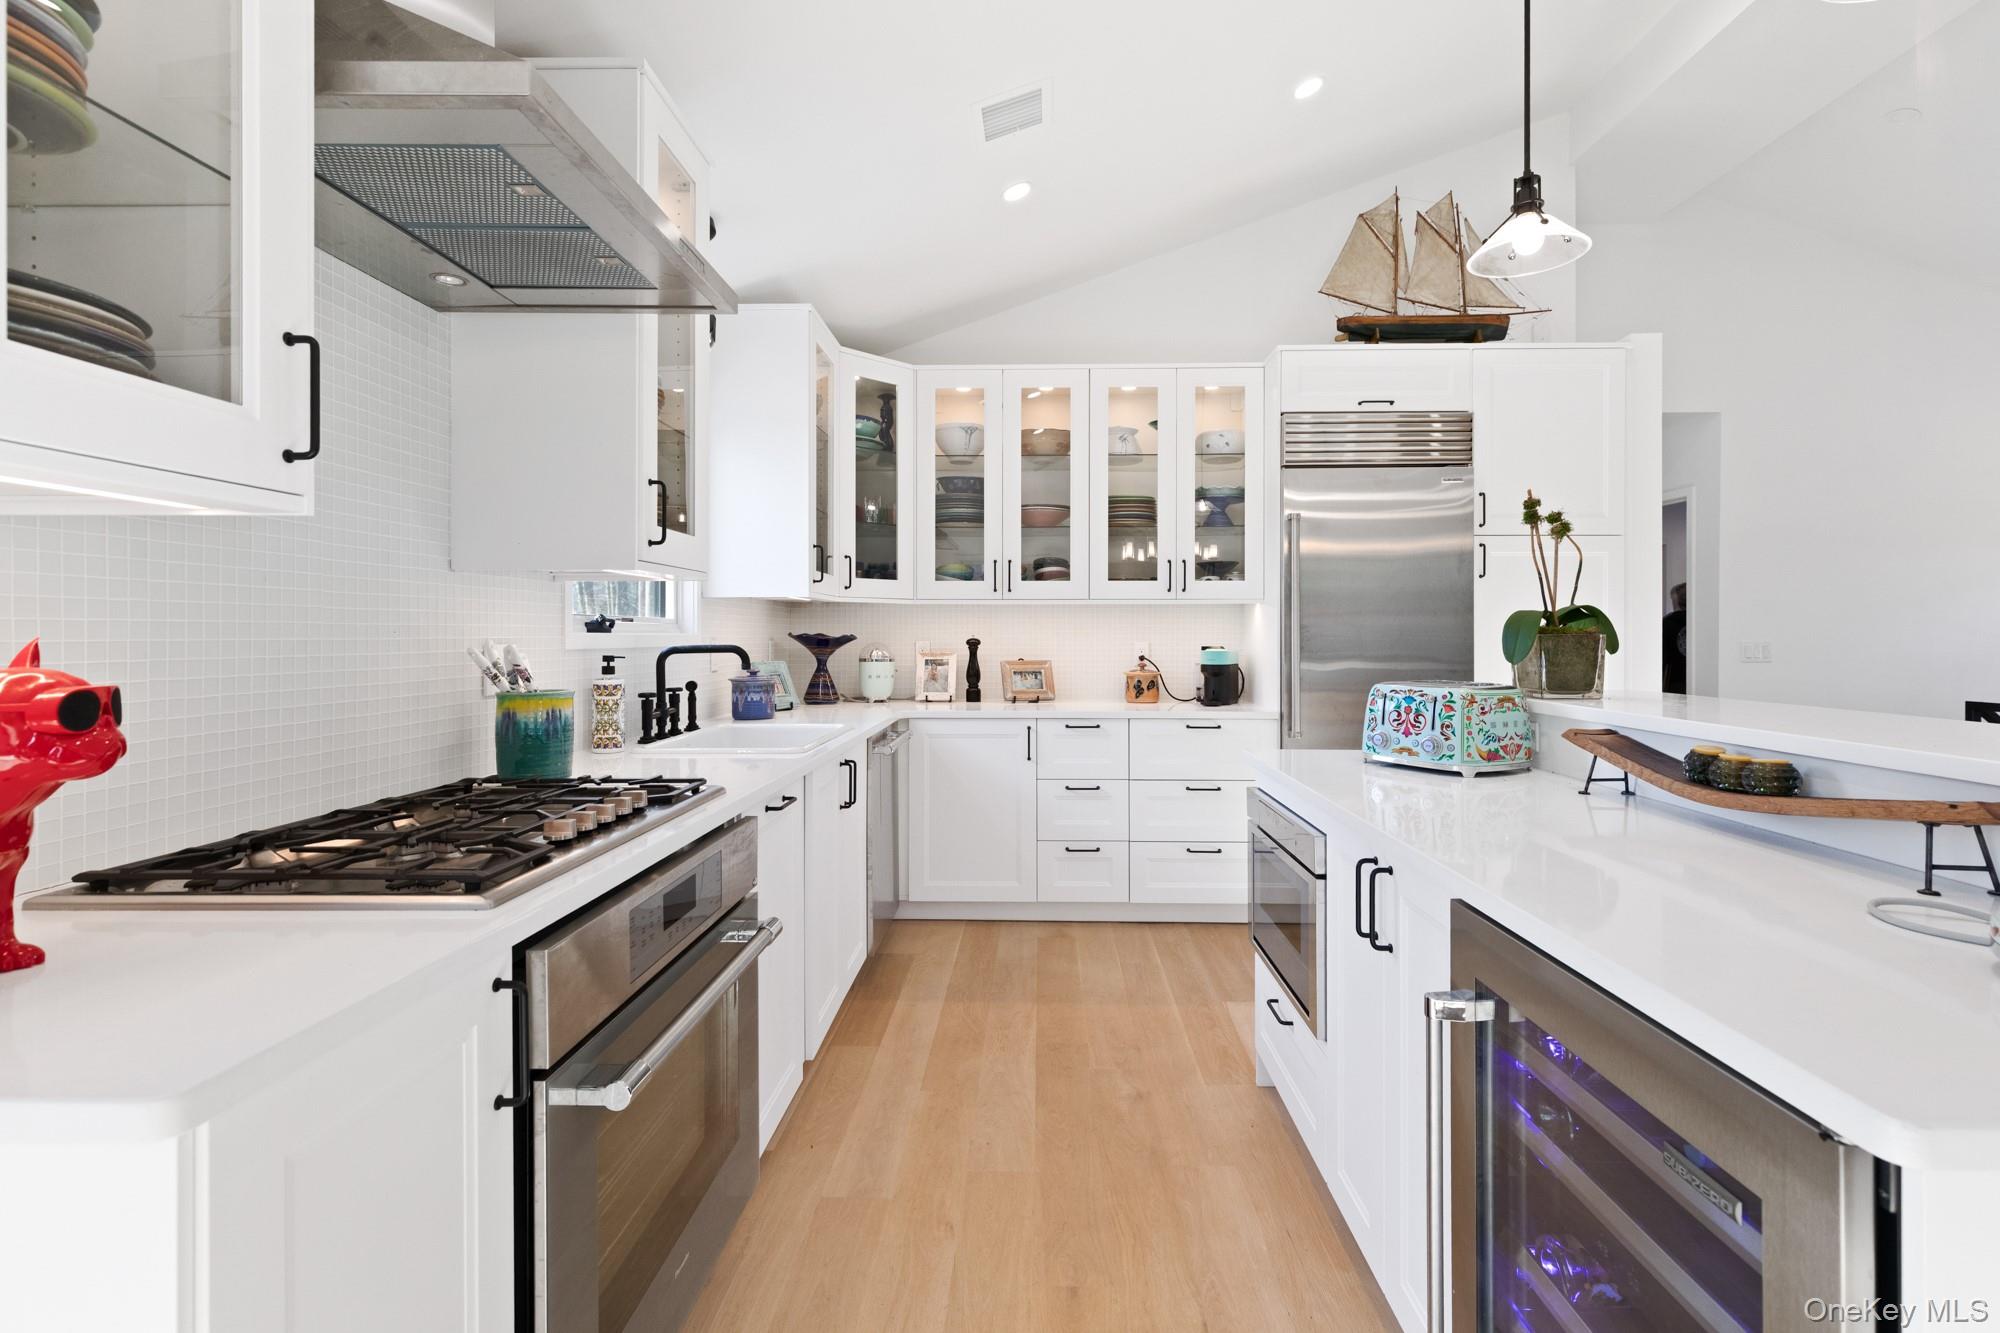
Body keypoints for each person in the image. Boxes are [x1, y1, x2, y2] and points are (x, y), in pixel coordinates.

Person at [1663, 583, 1688, 694]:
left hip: (1673, 680)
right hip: (1700, 678)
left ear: (1676, 600)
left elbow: (1662, 657)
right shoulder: (1700, 620)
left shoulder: (1667, 622)